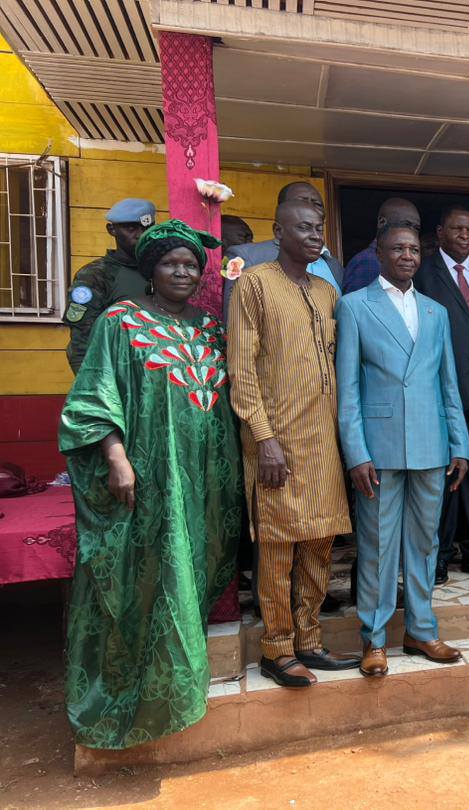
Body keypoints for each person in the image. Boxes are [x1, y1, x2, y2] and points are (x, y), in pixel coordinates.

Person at [60, 219, 241, 748]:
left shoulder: (211, 328)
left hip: (207, 482)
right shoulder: (120, 322)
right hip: (150, 479)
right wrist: (116, 457)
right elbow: (93, 396)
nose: (182, 272)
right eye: (170, 263)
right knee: (152, 576)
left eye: (190, 264)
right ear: (150, 269)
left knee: (195, 570)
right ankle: (143, 694)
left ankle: (180, 678)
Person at [228, 200, 357, 689]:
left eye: (319, 227)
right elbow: (241, 369)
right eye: (303, 228)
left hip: (323, 439)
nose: (315, 235)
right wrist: (264, 438)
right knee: (279, 547)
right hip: (276, 440)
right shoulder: (254, 284)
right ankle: (276, 648)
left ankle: (310, 640)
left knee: (320, 543)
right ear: (278, 232)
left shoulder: (327, 291)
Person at [336, 225, 469, 677]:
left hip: (431, 443)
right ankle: (373, 639)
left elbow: (448, 383)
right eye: (398, 248)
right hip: (380, 448)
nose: (407, 256)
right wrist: (356, 452)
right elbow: (348, 389)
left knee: (426, 543)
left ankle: (421, 631)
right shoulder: (355, 306)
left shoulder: (435, 311)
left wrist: (459, 443)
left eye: (413, 249)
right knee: (376, 545)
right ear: (379, 253)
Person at [413, 204, 469, 584]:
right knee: (443, 479)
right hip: (441, 395)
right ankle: (440, 555)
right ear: (440, 233)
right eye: (457, 229)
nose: (465, 236)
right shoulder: (422, 274)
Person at [223, 182, 344, 320]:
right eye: (301, 201)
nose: (310, 207)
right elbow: (234, 319)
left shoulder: (334, 266)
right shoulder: (243, 256)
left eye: (317, 204)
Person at [63, 198, 156, 373]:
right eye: (131, 228)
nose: (141, 235)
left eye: (147, 228)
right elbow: (81, 343)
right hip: (117, 374)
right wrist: (91, 384)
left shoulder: (161, 271)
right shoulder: (95, 276)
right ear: (111, 230)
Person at [342, 197, 422, 294]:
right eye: (405, 224)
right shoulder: (368, 262)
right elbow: (360, 303)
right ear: (382, 222)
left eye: (416, 228)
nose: (410, 231)